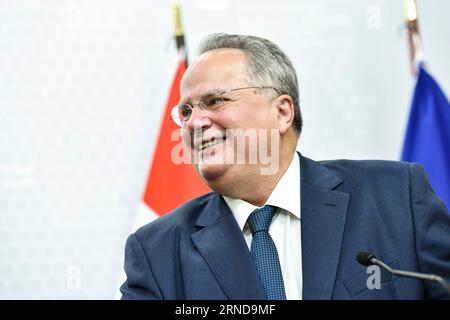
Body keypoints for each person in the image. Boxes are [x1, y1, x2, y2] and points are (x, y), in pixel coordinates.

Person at [120, 33, 450, 300]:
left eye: (215, 101)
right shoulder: (156, 252)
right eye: (187, 111)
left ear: (281, 112)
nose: (194, 123)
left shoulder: (396, 197)